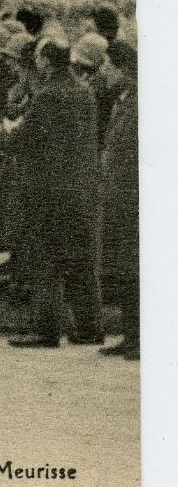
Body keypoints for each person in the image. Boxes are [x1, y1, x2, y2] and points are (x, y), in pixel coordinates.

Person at [1, 38, 103, 348]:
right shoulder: (83, 92)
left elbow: (25, 137)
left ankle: (45, 329)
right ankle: (89, 327)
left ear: (45, 61)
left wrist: (4, 131)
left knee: (43, 258)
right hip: (79, 185)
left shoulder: (48, 96)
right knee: (79, 259)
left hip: (47, 187)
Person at [98, 42, 138, 360]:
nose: (103, 73)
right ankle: (131, 335)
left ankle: (139, 337)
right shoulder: (123, 100)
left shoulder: (139, 102)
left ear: (122, 69)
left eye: (108, 67)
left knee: (133, 267)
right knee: (124, 267)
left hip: (130, 195)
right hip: (117, 193)